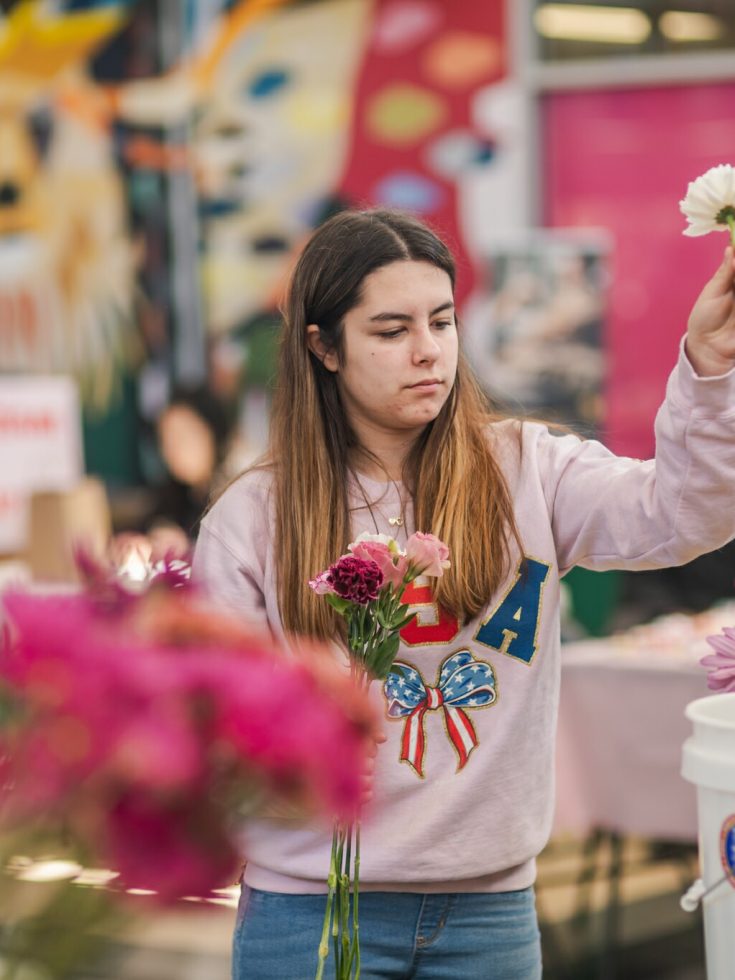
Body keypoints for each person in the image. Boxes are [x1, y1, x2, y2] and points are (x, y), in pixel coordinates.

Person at [192, 209, 735, 979]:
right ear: (323, 347)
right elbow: (214, 733)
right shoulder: (252, 518)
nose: (427, 352)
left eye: (441, 321)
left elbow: (684, 515)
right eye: (389, 330)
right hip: (311, 912)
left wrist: (708, 372)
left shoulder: (528, 469)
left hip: (489, 914)